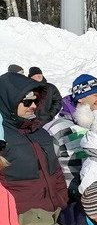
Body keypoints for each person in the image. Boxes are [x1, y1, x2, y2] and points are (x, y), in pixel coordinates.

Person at [0, 72, 68, 213]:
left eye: (36, 100)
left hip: (56, 214)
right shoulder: (2, 138)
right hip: (24, 224)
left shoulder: (40, 132)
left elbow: (57, 175)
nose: (32, 106)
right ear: (8, 100)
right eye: (26, 101)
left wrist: (63, 203)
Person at [45, 73, 97, 199]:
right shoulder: (58, 127)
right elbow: (47, 167)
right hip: (71, 197)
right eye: (96, 95)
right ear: (80, 98)